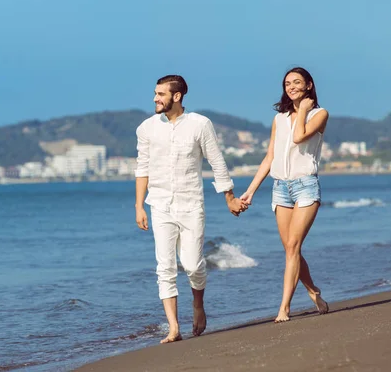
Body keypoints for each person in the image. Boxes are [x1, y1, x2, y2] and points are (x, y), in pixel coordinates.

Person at [134, 74, 246, 343]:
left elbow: (217, 163)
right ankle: (173, 327)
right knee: (165, 267)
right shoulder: (146, 128)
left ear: (177, 96)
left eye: (160, 94)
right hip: (159, 205)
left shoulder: (199, 124)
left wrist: (229, 197)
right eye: (155, 93)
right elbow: (142, 168)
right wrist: (139, 205)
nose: (155, 98)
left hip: (191, 204)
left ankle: (198, 304)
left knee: (193, 265)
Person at [240, 67, 329, 323]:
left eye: (297, 82)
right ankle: (313, 292)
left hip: (306, 187)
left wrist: (301, 111)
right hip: (280, 188)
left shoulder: (319, 114)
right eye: (287, 83)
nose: (291, 87)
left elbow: (300, 137)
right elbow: (271, 156)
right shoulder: (279, 119)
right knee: (292, 250)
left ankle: (284, 308)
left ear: (309, 85)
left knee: (293, 246)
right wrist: (251, 190)